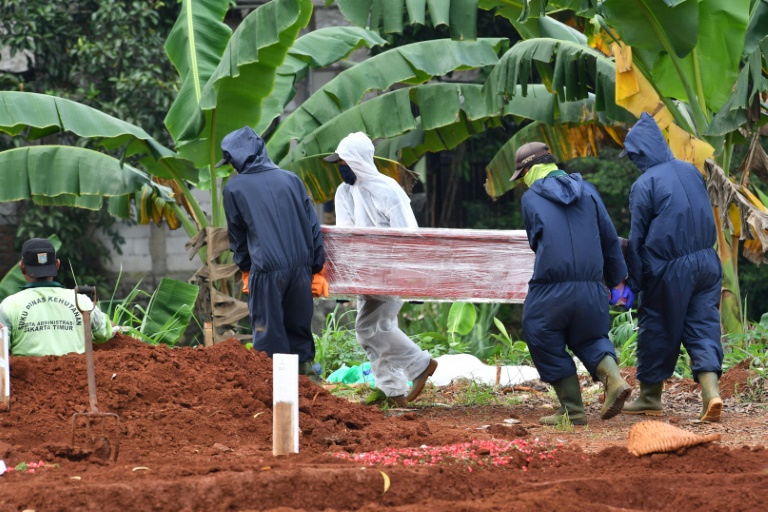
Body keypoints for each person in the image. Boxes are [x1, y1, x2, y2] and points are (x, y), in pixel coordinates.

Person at [512, 142, 632, 425]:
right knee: (590, 336)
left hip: (551, 287)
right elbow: (608, 238)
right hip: (592, 287)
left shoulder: (530, 199)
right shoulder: (589, 191)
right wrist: (618, 282)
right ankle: (614, 380)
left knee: (539, 330)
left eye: (522, 175)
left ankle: (573, 409)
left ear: (529, 170)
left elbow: (535, 241)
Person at [620, 112, 723, 422]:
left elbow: (638, 239)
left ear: (641, 151)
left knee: (657, 326)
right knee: (703, 326)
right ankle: (711, 394)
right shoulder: (690, 171)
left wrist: (634, 283)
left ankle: (650, 397)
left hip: (669, 268)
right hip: (708, 262)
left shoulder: (644, 184)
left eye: (634, 154)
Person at [327, 132, 437, 407]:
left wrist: (413, 277)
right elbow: (344, 234)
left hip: (390, 271)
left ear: (358, 161)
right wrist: (345, 277)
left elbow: (409, 234)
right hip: (364, 273)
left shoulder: (389, 190)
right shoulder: (344, 192)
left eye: (344, 162)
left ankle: (419, 365)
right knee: (377, 330)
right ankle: (394, 393)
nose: (341, 168)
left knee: (368, 329)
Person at [220, 126, 328, 385]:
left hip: (266, 269)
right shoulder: (292, 180)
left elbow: (238, 237)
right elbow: (312, 225)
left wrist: (246, 269)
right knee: (299, 331)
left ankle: (275, 396)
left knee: (269, 338)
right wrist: (315, 268)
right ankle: (309, 390)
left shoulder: (234, 189)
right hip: (301, 268)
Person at [0, 238, 113, 356]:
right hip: (76, 373)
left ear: (22, 267)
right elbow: (104, 333)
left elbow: (2, 353)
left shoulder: (8, 307)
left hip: (30, 374)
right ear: (57, 264)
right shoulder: (83, 302)